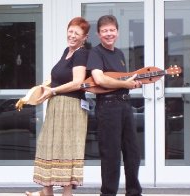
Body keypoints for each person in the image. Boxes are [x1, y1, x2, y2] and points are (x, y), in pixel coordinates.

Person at [25, 16, 90, 196]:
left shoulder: (81, 53)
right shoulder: (66, 51)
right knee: (50, 145)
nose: (72, 35)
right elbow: (58, 78)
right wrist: (44, 89)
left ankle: (66, 193)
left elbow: (77, 82)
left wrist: (53, 91)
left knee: (65, 147)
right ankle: (47, 190)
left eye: (77, 33)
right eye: (70, 31)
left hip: (70, 107)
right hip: (57, 106)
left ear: (85, 37)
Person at [86, 15, 142, 196]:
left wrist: (133, 84)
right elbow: (100, 79)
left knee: (132, 152)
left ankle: (134, 192)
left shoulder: (119, 54)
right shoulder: (95, 53)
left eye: (112, 30)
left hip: (125, 106)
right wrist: (126, 84)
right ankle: (108, 193)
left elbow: (122, 81)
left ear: (117, 32)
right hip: (108, 107)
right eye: (104, 31)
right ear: (98, 34)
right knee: (111, 155)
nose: (108, 34)